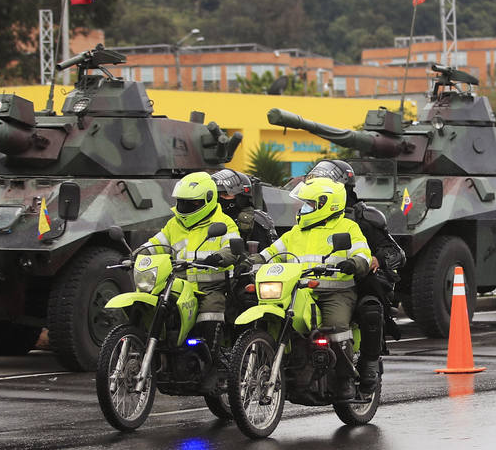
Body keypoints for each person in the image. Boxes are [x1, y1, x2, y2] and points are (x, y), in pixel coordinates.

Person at [254, 177, 372, 399]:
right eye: (303, 203)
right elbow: (271, 253)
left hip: (335, 292)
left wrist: (353, 263)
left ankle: (345, 379)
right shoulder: (297, 231)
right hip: (299, 289)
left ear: (327, 204)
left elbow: (363, 254)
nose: (303, 208)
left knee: (336, 328)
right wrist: (252, 260)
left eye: (309, 203)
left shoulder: (347, 227)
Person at [305, 159, 405, 394]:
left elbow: (395, 252)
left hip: (357, 281)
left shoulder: (363, 217)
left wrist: (376, 260)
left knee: (370, 307)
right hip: (313, 280)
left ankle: (368, 363)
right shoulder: (308, 214)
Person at [138, 171, 239, 367]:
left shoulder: (224, 223)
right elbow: (156, 244)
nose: (184, 207)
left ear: (208, 200)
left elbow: (232, 249)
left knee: (210, 312)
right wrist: (137, 253)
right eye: (181, 202)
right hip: (178, 284)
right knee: (158, 306)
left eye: (192, 203)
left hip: (210, 288)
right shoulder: (174, 223)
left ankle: (212, 363)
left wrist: (220, 256)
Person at [211, 168, 277, 250]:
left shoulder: (255, 221)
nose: (220, 199)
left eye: (226, 195)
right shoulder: (207, 218)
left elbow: (267, 254)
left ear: (241, 197)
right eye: (218, 195)